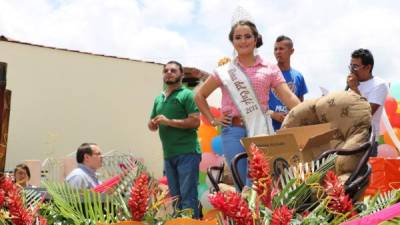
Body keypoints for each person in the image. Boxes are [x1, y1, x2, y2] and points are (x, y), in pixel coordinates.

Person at [195, 20, 300, 188]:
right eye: (238, 37)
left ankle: (259, 214)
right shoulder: (224, 71)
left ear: (255, 39)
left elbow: (288, 97)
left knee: (259, 183)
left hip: (261, 130)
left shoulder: (270, 68)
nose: (243, 41)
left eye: (247, 36)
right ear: (232, 41)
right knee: (241, 184)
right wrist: (214, 120)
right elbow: (200, 96)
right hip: (233, 132)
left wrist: (309, 111)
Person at [148, 61, 201, 218]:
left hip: (187, 153)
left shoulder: (187, 95)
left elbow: (195, 121)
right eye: (166, 70)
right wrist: (152, 124)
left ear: (181, 75)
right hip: (168, 155)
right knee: (176, 200)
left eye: (173, 70)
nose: (169, 72)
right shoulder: (159, 98)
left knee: (188, 198)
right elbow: (152, 125)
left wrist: (168, 121)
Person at [347, 48, 389, 144]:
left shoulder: (379, 85)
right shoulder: (353, 84)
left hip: (367, 141)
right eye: (351, 66)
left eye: (356, 66)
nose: (352, 70)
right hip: (350, 138)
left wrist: (355, 89)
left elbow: (367, 113)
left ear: (368, 67)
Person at [269, 35, 308, 130]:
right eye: (275, 49)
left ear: (291, 51)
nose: (278, 52)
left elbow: (300, 105)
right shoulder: (268, 73)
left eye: (281, 49)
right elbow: (259, 104)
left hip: (291, 129)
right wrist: (273, 115)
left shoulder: (298, 76)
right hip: (270, 128)